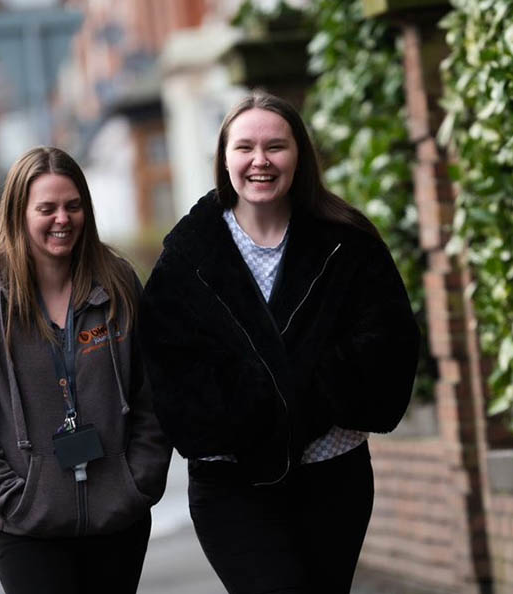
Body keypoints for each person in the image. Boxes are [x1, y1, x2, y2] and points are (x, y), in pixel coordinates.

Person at [137, 92, 421, 593]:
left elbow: (388, 345)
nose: (260, 161)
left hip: (332, 475)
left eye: (276, 146)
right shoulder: (187, 257)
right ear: (224, 160)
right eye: (244, 147)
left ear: (299, 157)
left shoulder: (348, 242)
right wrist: (259, 414)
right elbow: (171, 372)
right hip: (231, 485)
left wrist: (309, 396)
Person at [0, 147, 170, 594]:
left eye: (73, 206)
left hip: (116, 523)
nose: (62, 219)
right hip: (26, 532)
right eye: (46, 209)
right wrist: (17, 500)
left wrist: (135, 484)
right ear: (19, 214)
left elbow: (154, 396)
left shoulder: (118, 283)